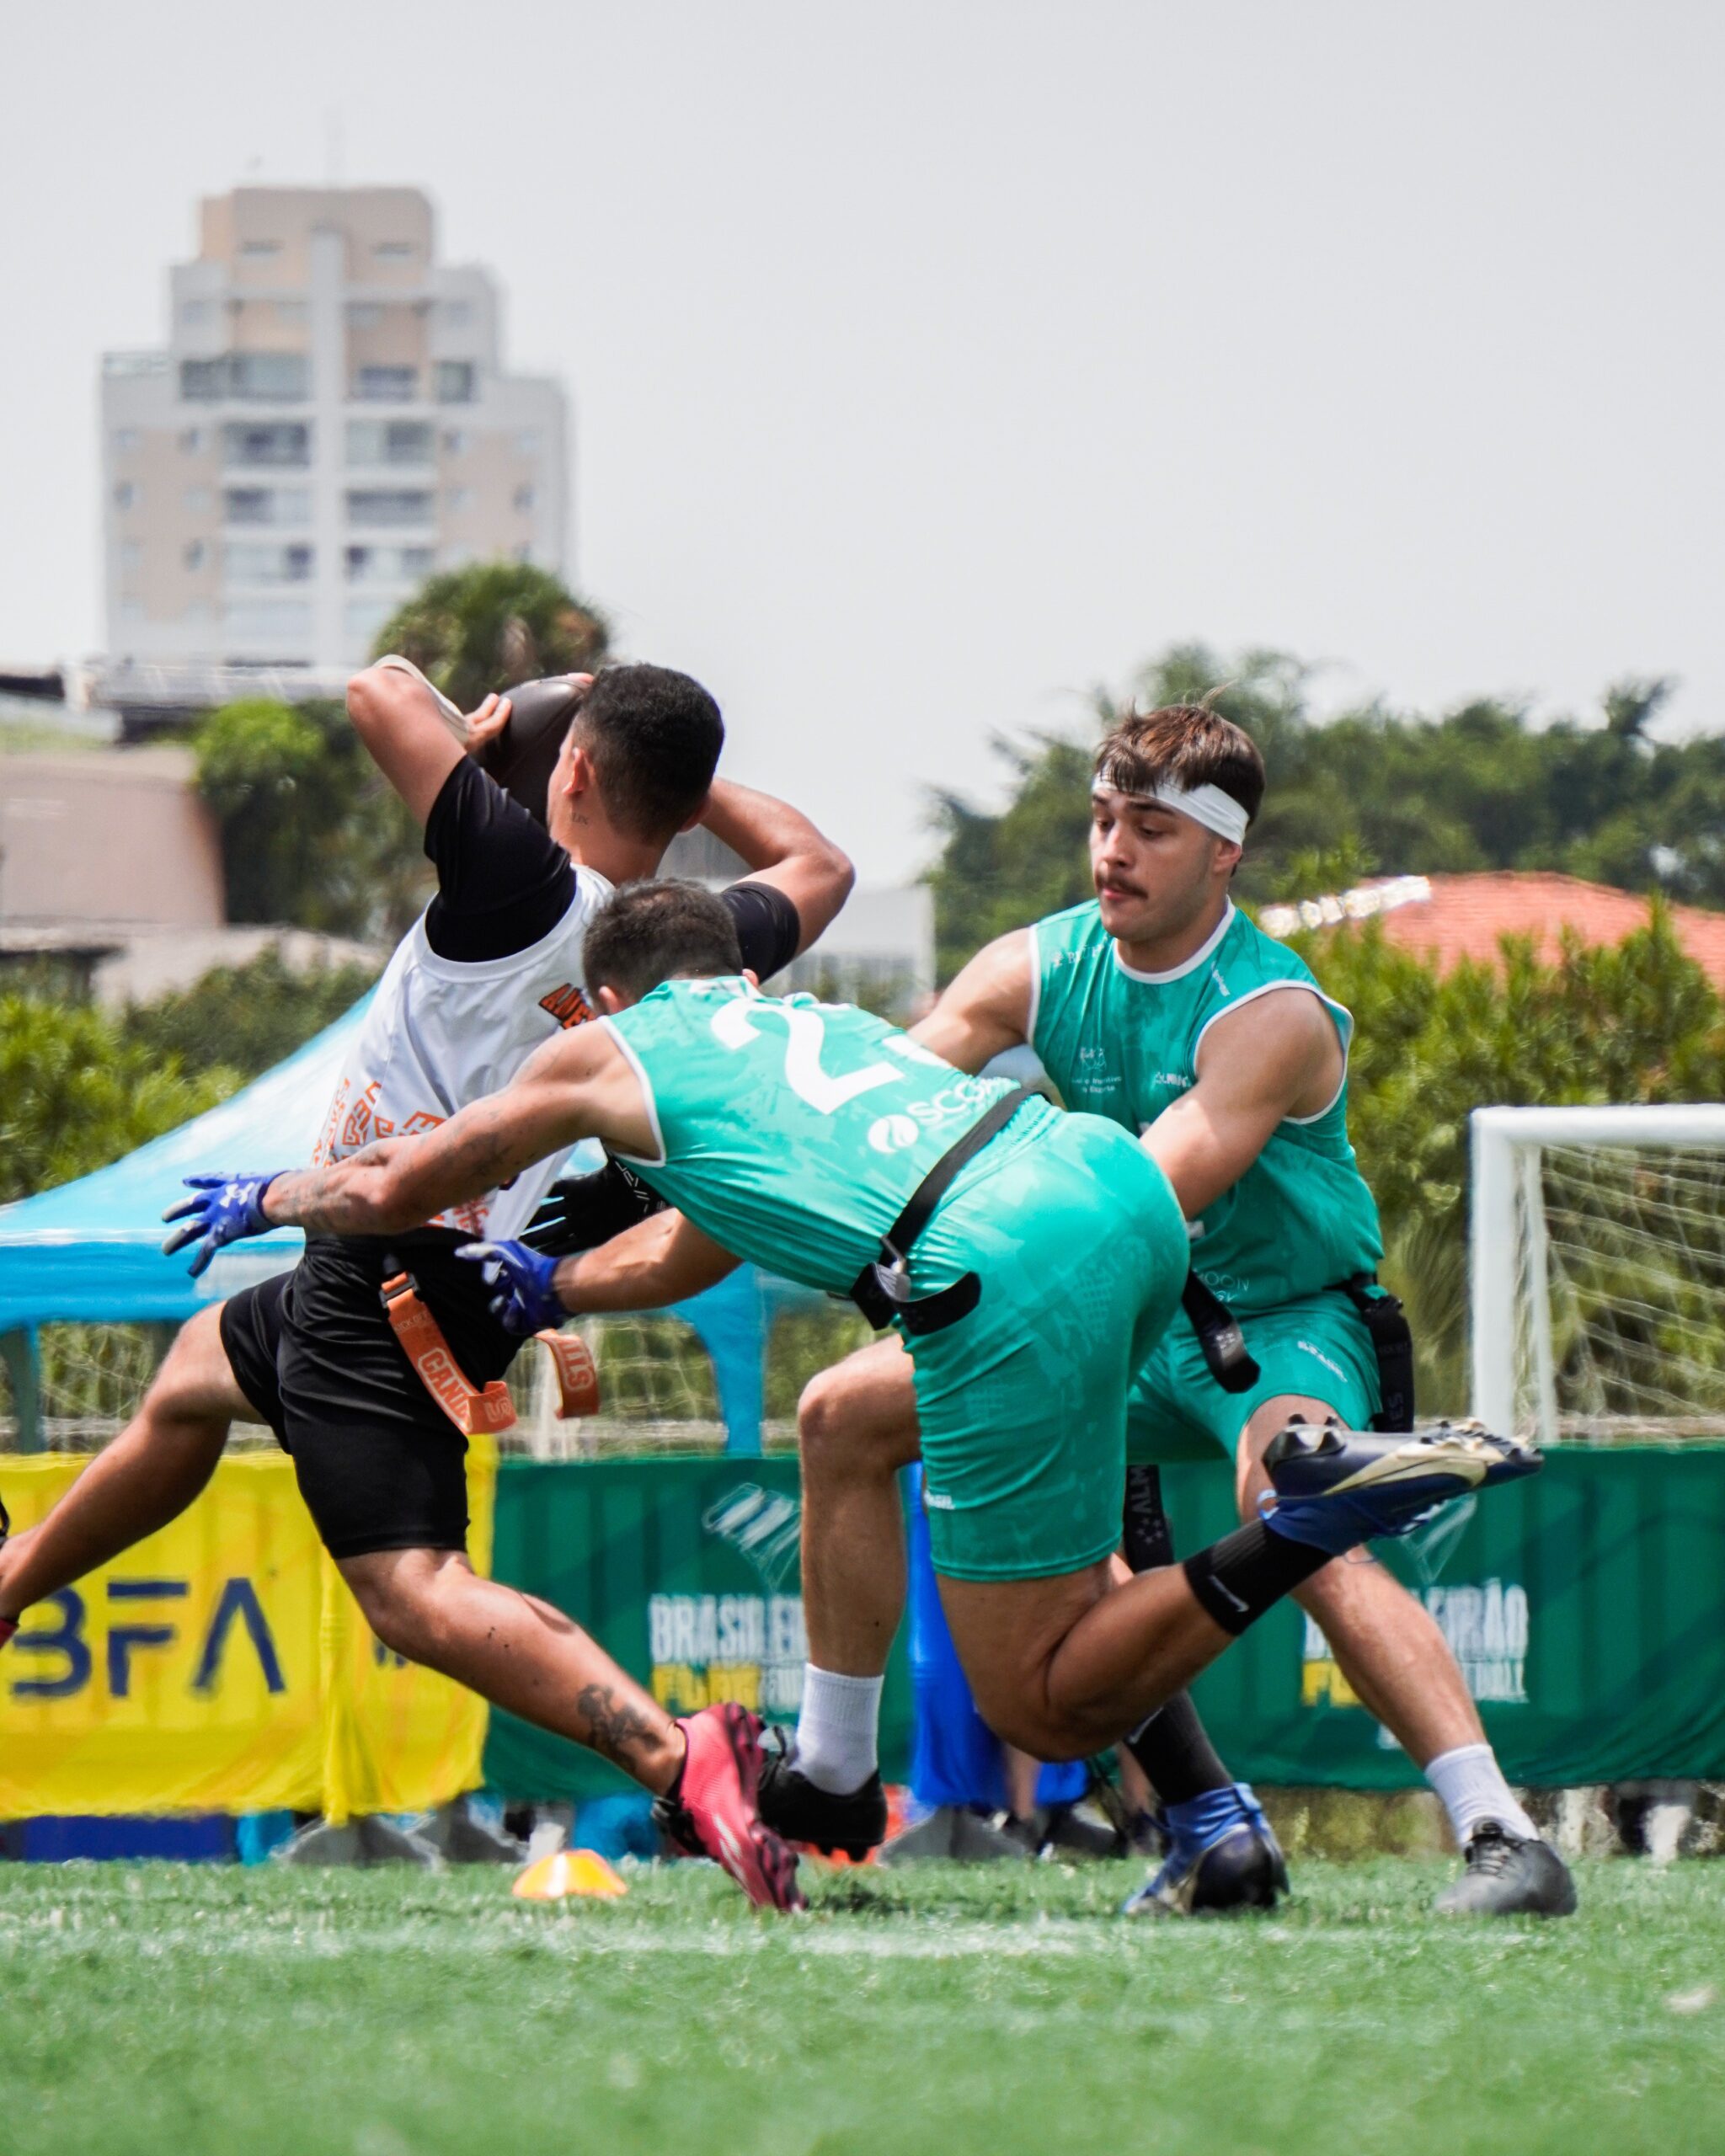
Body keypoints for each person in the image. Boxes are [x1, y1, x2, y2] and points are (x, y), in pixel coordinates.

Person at [182, 878, 1539, 1854]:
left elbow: (410, 1175)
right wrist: (553, 1286)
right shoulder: (812, 1022)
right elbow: (690, 1248)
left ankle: (1293, 1534)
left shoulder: (601, 1047)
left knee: (1048, 1701)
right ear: (736, 974)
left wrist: (276, 1197)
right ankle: (840, 1778)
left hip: (990, 1265)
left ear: (604, 996)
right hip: (1104, 1186)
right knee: (842, 1414)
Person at [0, 659, 852, 1913]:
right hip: (442, 1270)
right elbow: (821, 866)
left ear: (568, 769)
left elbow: (379, 689)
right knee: (191, 1383)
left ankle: (681, 1760)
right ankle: (13, 1585)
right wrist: (669, 771)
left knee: (410, 1591)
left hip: (382, 1262)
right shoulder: (677, 941)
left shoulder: (521, 880)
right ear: (666, 802)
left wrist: (503, 711)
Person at [751, 700, 1578, 1918]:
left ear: (1224, 852)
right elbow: (882, 1106)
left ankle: (1504, 1836)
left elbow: (1143, 1195)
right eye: (1101, 820)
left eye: (1149, 827)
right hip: (1107, 1314)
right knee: (837, 1416)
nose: (1111, 852)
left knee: (1296, 1503)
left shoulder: (1272, 1014)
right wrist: (737, 1081)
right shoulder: (1037, 964)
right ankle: (835, 1771)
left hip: (1274, 1324)